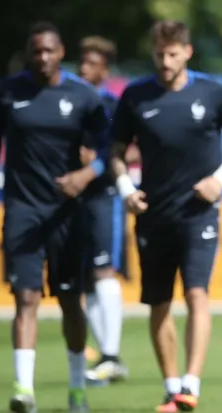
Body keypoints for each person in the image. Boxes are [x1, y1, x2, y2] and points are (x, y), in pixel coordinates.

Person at [108, 20, 222, 413]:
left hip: (199, 213)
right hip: (153, 215)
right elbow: (116, 152)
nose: (165, 61)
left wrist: (221, 179)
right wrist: (126, 192)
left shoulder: (212, 92)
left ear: (187, 52)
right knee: (157, 303)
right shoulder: (136, 97)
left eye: (173, 54)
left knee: (196, 294)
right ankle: (171, 388)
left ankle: (191, 383)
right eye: (159, 55)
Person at [0, 21, 111, 413]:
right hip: (22, 209)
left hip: (68, 215)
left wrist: (86, 174)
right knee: (26, 298)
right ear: (29, 53)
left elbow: (110, 148)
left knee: (70, 301)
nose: (43, 57)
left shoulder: (83, 96)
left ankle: (76, 390)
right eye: (37, 51)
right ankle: (24, 390)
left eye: (50, 50)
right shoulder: (6, 92)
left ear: (61, 51)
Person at [76, 35, 129, 384]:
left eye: (92, 63)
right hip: (71, 200)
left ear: (104, 70)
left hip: (103, 197)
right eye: (81, 61)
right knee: (85, 281)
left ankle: (111, 355)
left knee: (103, 272)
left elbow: (127, 151)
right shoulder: (65, 99)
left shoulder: (111, 106)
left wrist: (93, 165)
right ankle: (105, 357)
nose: (84, 68)